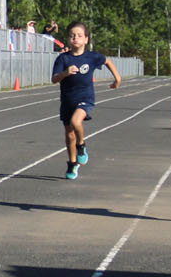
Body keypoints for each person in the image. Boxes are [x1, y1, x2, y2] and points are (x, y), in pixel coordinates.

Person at [51, 21, 122, 180]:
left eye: (79, 36)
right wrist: (65, 73)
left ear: (86, 39)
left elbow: (107, 61)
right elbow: (54, 79)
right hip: (67, 100)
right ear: (68, 39)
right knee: (69, 135)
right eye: (72, 36)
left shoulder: (92, 57)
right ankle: (72, 162)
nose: (75, 38)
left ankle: (81, 146)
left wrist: (117, 79)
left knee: (77, 122)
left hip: (85, 98)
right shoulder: (63, 59)